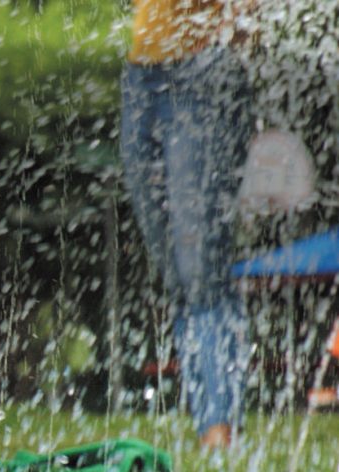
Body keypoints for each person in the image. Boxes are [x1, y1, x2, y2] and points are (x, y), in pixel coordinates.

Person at [121, 0, 257, 449]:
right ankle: (208, 416)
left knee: (200, 261)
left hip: (200, 71)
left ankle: (219, 422)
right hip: (141, 74)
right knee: (174, 266)